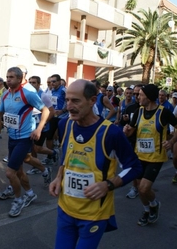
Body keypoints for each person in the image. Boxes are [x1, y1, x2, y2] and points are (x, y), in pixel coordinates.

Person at [49, 79, 142, 249]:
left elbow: (134, 167)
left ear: (92, 101)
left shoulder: (111, 133)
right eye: (68, 100)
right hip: (65, 209)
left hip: (94, 214)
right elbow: (66, 156)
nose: (69, 106)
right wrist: (58, 177)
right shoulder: (65, 124)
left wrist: (108, 185)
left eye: (76, 101)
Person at [0, 67, 49, 217]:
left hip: (24, 138)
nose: (8, 79)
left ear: (20, 79)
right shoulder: (6, 94)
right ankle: (30, 193)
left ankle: (18, 200)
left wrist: (38, 129)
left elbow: (46, 110)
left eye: (12, 77)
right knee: (18, 171)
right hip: (12, 137)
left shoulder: (28, 94)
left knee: (9, 172)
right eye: (7, 77)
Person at [124, 84, 177, 226]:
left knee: (144, 188)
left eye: (141, 95)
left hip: (155, 157)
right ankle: (147, 210)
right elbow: (131, 131)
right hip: (139, 156)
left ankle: (154, 204)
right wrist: (127, 131)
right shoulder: (138, 112)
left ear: (149, 97)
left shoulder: (163, 112)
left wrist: (172, 141)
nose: (138, 97)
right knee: (140, 188)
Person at [123, 84, 143, 199]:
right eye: (134, 94)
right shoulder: (130, 107)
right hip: (132, 140)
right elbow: (123, 122)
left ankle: (143, 187)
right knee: (134, 165)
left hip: (145, 142)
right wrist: (125, 121)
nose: (136, 96)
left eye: (138, 94)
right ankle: (135, 187)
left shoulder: (151, 109)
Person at [42, 74, 66, 165]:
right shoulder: (50, 90)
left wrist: (63, 110)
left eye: (54, 81)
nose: (52, 83)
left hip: (63, 118)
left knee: (63, 139)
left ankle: (65, 159)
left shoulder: (64, 90)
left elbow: (70, 101)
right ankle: (50, 156)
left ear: (60, 82)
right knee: (49, 137)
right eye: (51, 81)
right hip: (53, 116)